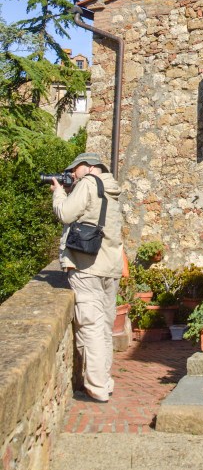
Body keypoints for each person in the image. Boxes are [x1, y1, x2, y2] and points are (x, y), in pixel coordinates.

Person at [51, 153, 124, 402]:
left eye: (76, 168)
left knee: (90, 326)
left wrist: (59, 193)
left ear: (91, 167)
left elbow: (65, 214)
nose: (72, 173)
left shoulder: (88, 183)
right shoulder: (111, 188)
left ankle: (97, 386)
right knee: (103, 328)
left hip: (87, 267)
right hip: (109, 267)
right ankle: (105, 380)